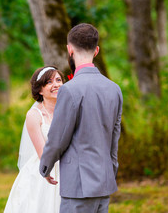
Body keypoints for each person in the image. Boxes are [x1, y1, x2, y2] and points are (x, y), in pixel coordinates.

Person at [39, 23, 123, 213]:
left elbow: (58, 138)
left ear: (70, 50)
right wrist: (111, 170)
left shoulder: (69, 90)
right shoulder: (114, 89)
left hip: (78, 186)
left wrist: (45, 167)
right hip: (104, 181)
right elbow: (114, 138)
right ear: (97, 51)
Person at [4, 66, 64, 213]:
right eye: (49, 82)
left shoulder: (67, 110)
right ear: (40, 90)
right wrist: (48, 171)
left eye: (58, 80)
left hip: (67, 165)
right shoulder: (34, 115)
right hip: (44, 168)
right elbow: (43, 153)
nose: (56, 84)